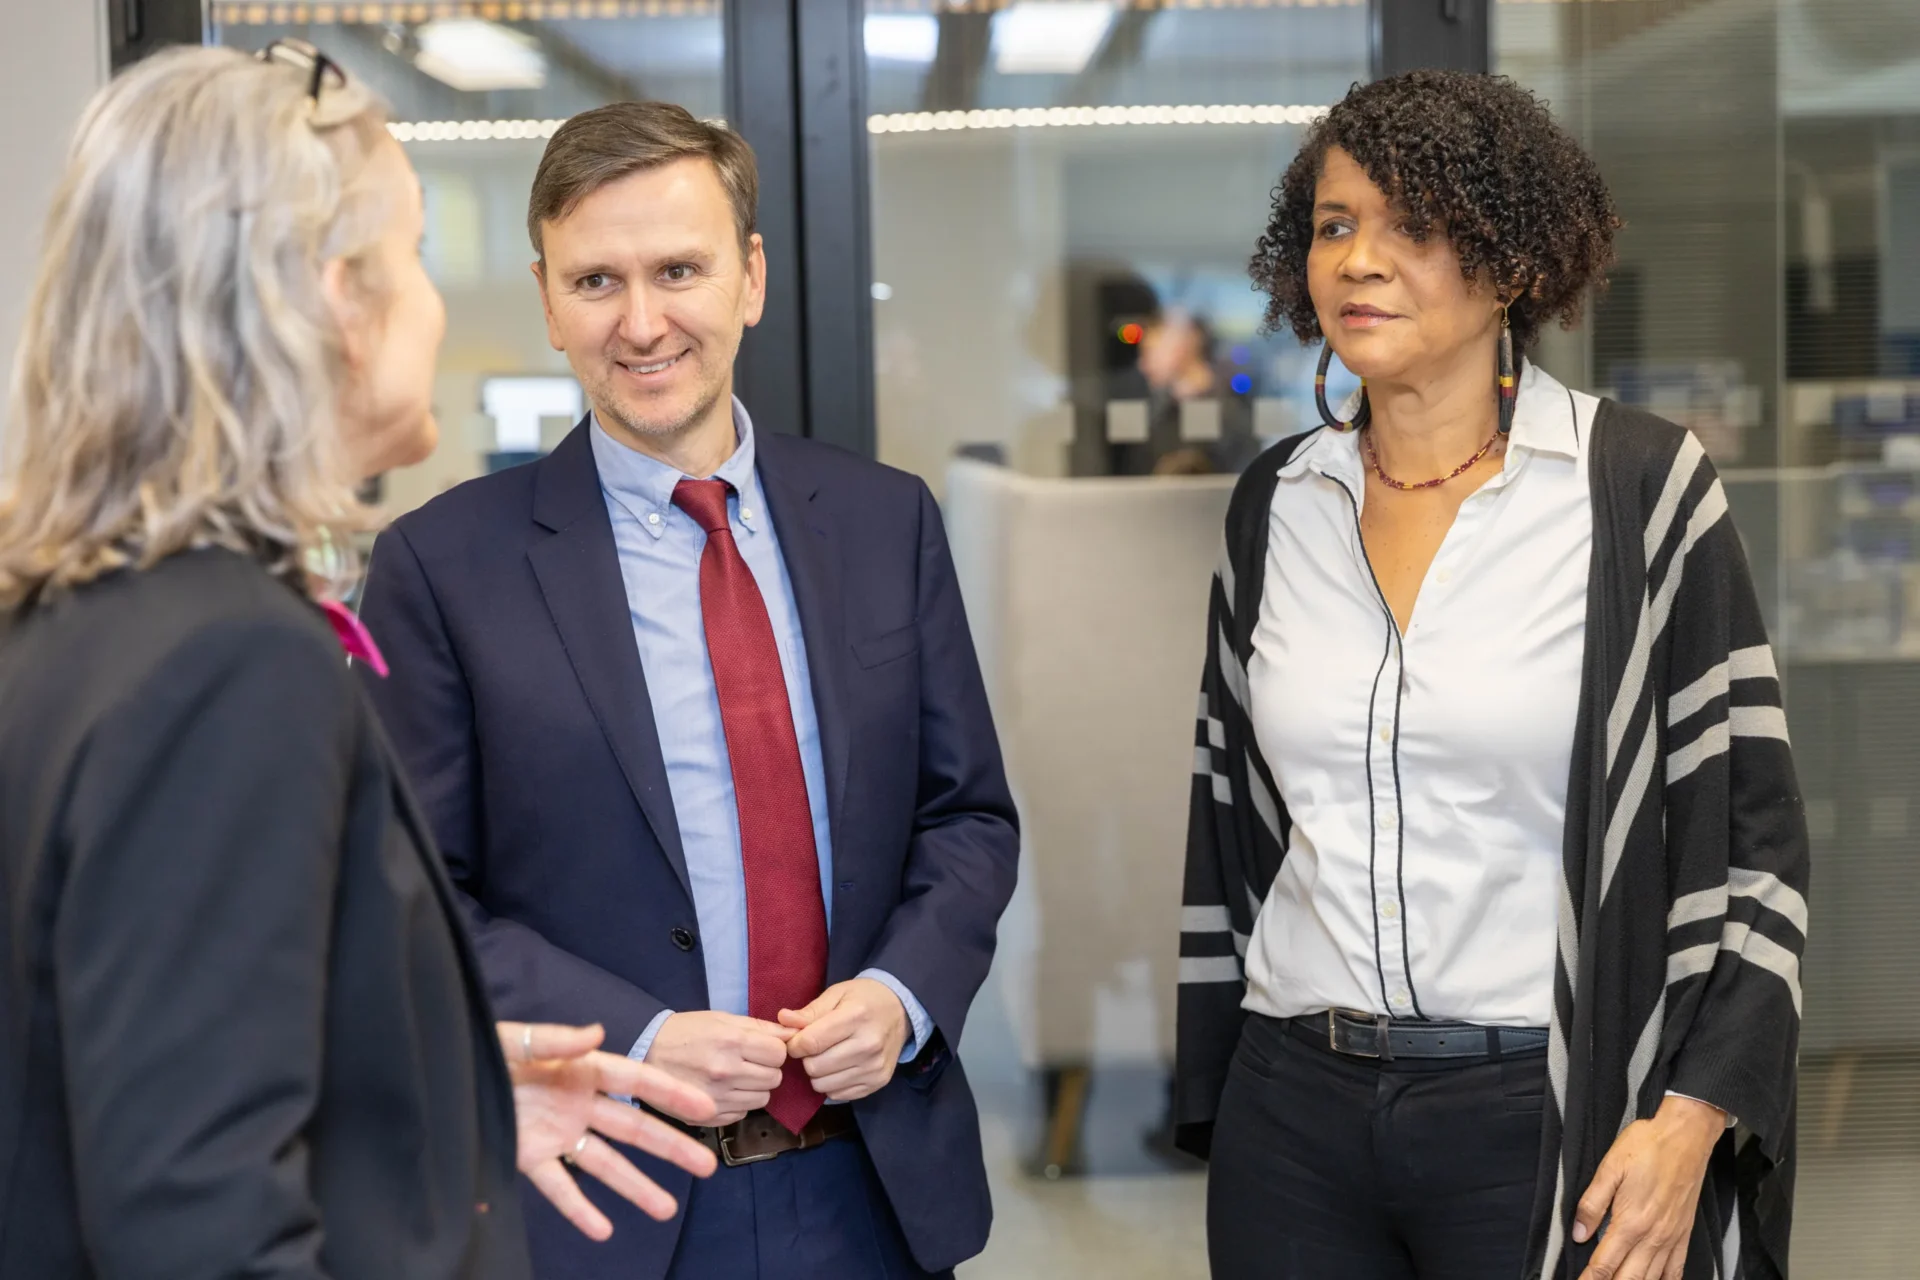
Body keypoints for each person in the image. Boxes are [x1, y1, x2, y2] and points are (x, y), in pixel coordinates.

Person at [0, 45, 722, 1279]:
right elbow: (198, 1223)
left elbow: (127, 1043)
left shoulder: (81, 612)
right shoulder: (227, 663)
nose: (433, 307)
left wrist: (436, 1080)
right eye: (417, 259)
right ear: (339, 300)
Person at [355, 101, 1020, 1280]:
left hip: (876, 1184)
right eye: (598, 280)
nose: (644, 321)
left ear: (750, 277)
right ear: (549, 300)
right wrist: (642, 1032)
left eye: (679, 270)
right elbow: (418, 902)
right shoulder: (441, 566)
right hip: (610, 1195)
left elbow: (965, 817)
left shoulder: (884, 520)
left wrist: (905, 991)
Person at [1176, 71, 1808, 1280]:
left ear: (1513, 260)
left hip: (1549, 1108)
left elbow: (1758, 844)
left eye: (1414, 226)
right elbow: (1233, 822)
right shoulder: (1276, 506)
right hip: (1294, 1111)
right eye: (1334, 224)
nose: (1361, 259)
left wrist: (1691, 1120)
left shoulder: (1636, 490)